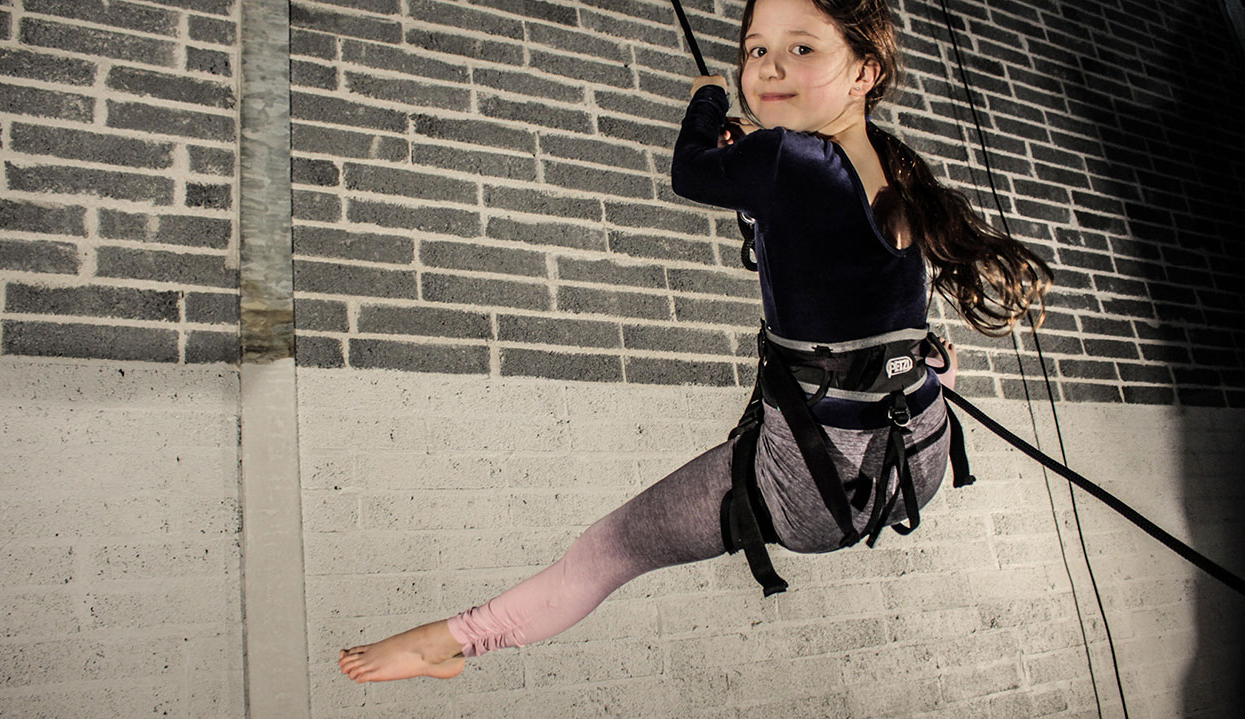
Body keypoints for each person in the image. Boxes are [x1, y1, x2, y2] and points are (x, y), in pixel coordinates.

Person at [337, 0, 1050, 683]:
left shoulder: (786, 161)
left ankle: (445, 641)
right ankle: (926, 383)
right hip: (913, 464)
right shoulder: (894, 173)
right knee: (923, 358)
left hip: (811, 484)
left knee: (609, 549)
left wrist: (708, 98)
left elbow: (689, 169)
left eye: (801, 49)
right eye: (754, 52)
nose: (768, 69)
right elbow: (826, 256)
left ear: (865, 71)